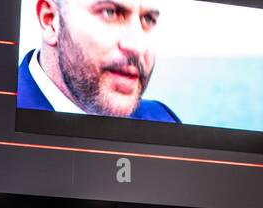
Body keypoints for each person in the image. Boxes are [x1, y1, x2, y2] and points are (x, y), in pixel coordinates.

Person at [18, 0, 180, 123]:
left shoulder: (164, 119)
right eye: (110, 12)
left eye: (148, 19)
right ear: (50, 20)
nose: (138, 47)